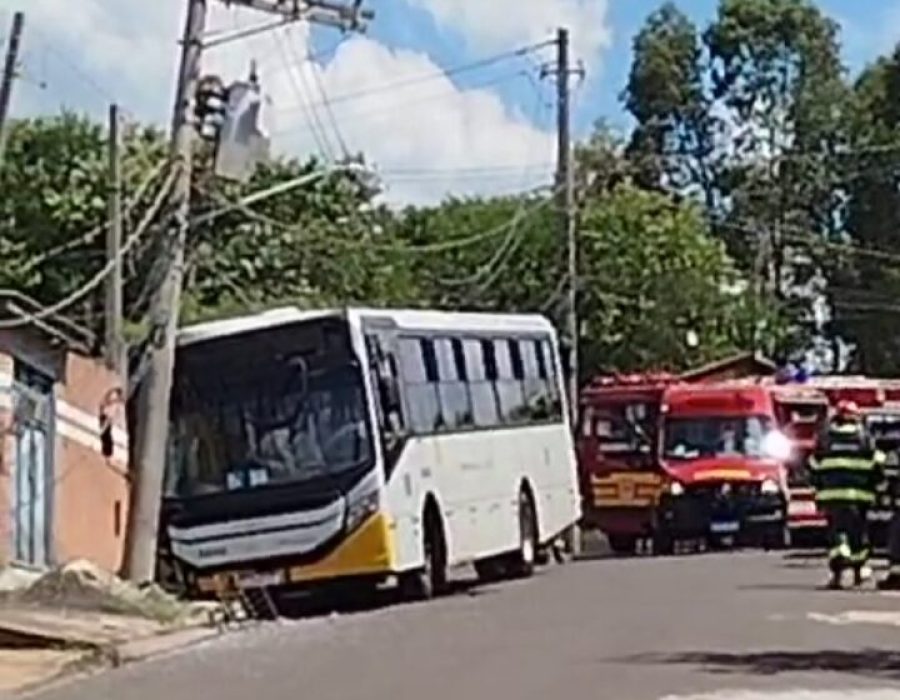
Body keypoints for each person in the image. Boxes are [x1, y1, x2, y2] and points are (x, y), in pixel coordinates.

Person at [810, 400, 885, 589]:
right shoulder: (865, 439)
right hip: (859, 497)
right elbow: (877, 465)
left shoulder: (825, 439)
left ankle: (837, 575)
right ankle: (859, 572)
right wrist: (879, 486)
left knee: (836, 536)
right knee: (858, 535)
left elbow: (813, 465)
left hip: (832, 497)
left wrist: (817, 487)